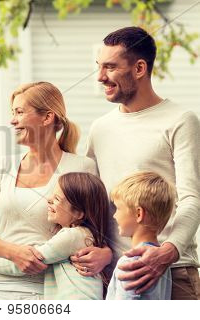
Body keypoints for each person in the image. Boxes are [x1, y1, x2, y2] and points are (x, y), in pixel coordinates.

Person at [84, 26, 200, 299]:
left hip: (173, 271)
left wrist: (167, 252)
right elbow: (88, 197)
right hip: (118, 275)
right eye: (99, 67)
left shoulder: (181, 121)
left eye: (110, 67)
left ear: (139, 68)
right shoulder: (100, 128)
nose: (100, 77)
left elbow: (192, 198)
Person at [0, 81, 112, 300]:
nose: (12, 120)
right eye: (12, 113)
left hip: (48, 289)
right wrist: (14, 253)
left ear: (47, 117)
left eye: (19, 112)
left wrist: (106, 255)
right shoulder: (3, 166)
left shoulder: (81, 167)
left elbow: (97, 230)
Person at [0, 172, 109, 299]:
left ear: (79, 213)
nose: (48, 200)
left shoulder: (71, 237)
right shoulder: (83, 236)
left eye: (57, 199)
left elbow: (28, 261)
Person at [106, 171, 175, 300]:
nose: (114, 215)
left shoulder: (130, 262)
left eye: (118, 208)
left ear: (139, 214)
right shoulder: (163, 265)